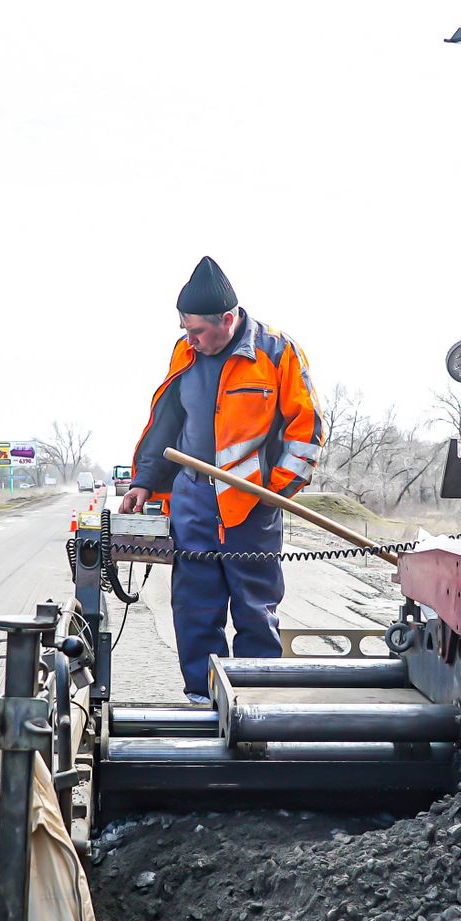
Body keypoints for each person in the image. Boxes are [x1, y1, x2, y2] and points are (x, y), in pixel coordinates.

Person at [120, 257, 325, 704]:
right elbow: (167, 421)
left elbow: (305, 430)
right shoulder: (185, 353)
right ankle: (202, 697)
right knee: (194, 607)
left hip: (252, 503)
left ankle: (255, 701)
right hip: (192, 499)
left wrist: (278, 491)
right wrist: (144, 480)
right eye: (184, 329)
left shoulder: (276, 352)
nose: (188, 338)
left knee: (254, 608)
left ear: (227, 320)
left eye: (195, 330)